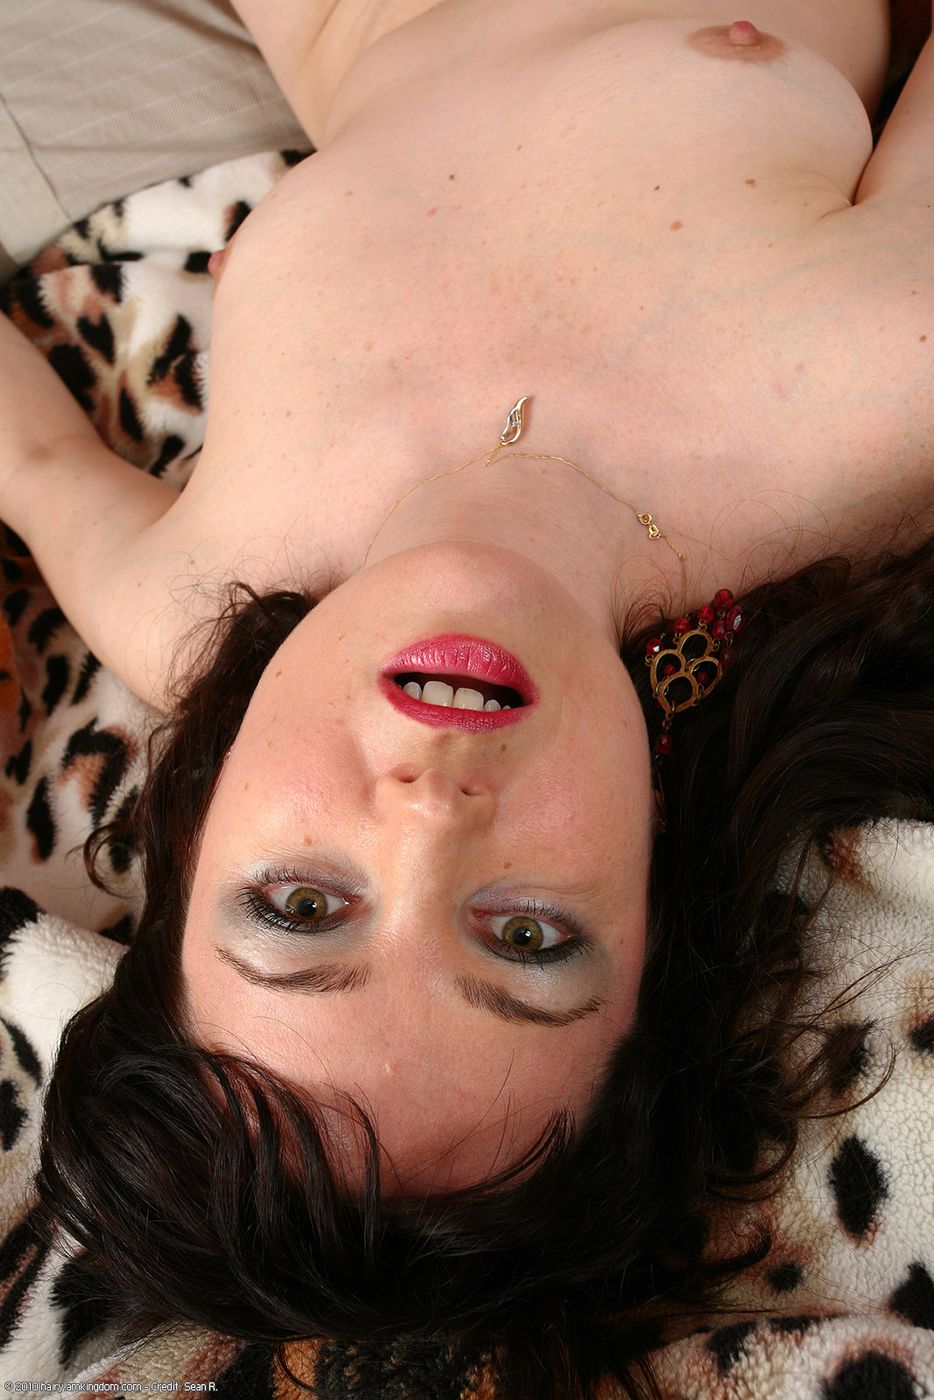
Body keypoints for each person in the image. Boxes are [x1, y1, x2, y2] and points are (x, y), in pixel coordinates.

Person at [0, 2, 931, 1395]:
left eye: (300, 906)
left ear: (196, 837)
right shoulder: (879, 388)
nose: (430, 814)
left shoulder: (186, 601)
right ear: (654, 889)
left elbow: (30, 460)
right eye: (528, 935)